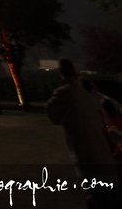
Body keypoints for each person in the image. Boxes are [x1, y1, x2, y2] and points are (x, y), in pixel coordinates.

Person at [46, 59, 118, 207]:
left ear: (60, 72)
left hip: (86, 157)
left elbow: (53, 115)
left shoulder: (65, 95)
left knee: (97, 198)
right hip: (104, 157)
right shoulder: (89, 96)